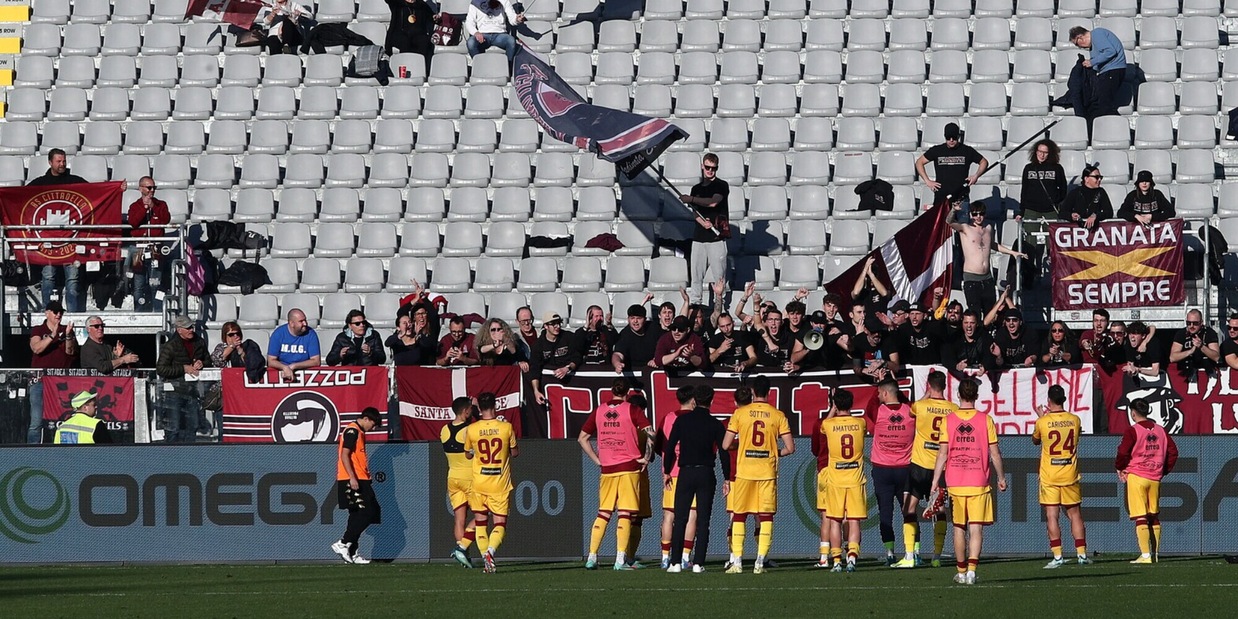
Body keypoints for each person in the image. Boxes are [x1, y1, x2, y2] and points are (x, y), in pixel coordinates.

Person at [929, 378, 1007, 585]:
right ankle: (971, 571)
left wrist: (935, 480)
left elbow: (942, 453)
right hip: (978, 480)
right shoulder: (985, 419)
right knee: (976, 528)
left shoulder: (949, 420)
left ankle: (961, 571)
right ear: (976, 396)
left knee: (958, 528)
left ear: (958, 395)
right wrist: (1001, 477)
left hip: (955, 480)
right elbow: (995, 453)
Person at [578, 379, 654, 570]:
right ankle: (620, 560)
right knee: (625, 513)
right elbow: (650, 433)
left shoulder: (599, 410)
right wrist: (646, 456)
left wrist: (597, 460)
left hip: (608, 469)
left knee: (603, 513)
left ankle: (592, 557)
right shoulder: (632, 409)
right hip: (629, 467)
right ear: (627, 393)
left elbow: (582, 438)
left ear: (611, 391)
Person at [722, 375, 794, 574]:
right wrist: (773, 452)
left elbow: (726, 444)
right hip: (767, 472)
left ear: (753, 392)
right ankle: (759, 562)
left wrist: (742, 444)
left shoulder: (740, 413)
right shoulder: (778, 415)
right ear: (769, 392)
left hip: (744, 472)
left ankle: (737, 562)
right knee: (766, 516)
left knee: (739, 516)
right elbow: (790, 448)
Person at [895, 370, 958, 568]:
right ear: (945, 387)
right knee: (940, 509)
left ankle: (909, 555)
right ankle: (937, 556)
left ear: (929, 386)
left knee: (909, 508)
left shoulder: (920, 406)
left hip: (919, 465)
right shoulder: (953, 408)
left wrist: (926, 395)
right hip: (941, 467)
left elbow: (911, 411)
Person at [663, 385, 730, 574]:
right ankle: (698, 563)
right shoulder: (715, 424)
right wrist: (727, 477)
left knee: (680, 518)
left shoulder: (682, 421)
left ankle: (675, 562)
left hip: (685, 472)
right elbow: (724, 452)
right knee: (703, 520)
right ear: (711, 401)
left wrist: (667, 470)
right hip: (706, 472)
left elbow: (669, 447)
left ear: (694, 401)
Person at [1032, 385, 1091, 569]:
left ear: (1048, 401)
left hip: (1050, 476)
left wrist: (1042, 418)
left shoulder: (1043, 422)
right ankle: (1081, 554)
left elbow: (1035, 440)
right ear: (1064, 399)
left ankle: (1057, 556)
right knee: (1075, 515)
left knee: (1052, 515)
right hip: (1069, 474)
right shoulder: (1075, 419)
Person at [1115, 398, 1178, 564]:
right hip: (1155, 477)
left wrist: (1120, 466)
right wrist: (1164, 470)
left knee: (1140, 516)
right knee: (1154, 515)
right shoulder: (1161, 430)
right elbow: (1173, 452)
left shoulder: (1133, 430)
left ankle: (1145, 555)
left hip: (1137, 475)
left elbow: (1123, 452)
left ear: (1133, 413)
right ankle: (1155, 553)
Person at [28, 149, 89, 312]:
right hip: (48, 243)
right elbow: (21, 198)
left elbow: (96, 193)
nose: (62, 164)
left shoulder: (75, 181)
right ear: (50, 162)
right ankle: (47, 312)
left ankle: (73, 315)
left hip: (71, 241)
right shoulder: (39, 183)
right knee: (48, 277)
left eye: (64, 161)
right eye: (58, 161)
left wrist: (115, 188)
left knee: (73, 280)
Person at [464, 392, 519, 573]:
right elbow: (515, 452)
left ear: (478, 408)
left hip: (479, 483)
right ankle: (490, 551)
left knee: (480, 523)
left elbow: (468, 454)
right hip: (499, 484)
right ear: (495, 406)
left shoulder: (471, 429)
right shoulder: (506, 427)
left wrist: (474, 453)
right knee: (499, 524)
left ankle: (485, 558)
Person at [866, 379, 915, 567]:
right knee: (909, 512)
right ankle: (914, 551)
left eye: (880, 393)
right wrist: (892, 385)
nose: (878, 396)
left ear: (884, 394)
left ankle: (890, 552)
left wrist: (877, 384)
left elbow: (871, 403)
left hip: (882, 469)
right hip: (905, 469)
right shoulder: (910, 411)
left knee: (885, 513)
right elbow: (902, 398)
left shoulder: (878, 411)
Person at [819, 389, 867, 572]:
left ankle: (837, 560)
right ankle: (852, 557)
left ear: (836, 405)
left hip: (835, 480)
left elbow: (824, 425)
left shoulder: (829, 424)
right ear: (852, 404)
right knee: (854, 520)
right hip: (855, 479)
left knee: (835, 521)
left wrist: (834, 408)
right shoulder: (860, 423)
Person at [950, 201, 1025, 314]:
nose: (978, 217)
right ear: (971, 214)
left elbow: (992, 244)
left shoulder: (989, 227)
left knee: (990, 313)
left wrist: (1012, 252)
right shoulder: (965, 228)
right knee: (974, 313)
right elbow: (949, 222)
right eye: (975, 214)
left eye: (981, 213)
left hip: (987, 278)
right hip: (971, 278)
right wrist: (953, 210)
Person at [331, 407, 383, 565]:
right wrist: (352, 478)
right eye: (373, 425)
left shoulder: (359, 432)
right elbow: (344, 454)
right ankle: (344, 542)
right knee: (369, 511)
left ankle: (351, 552)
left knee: (356, 514)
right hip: (353, 479)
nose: (373, 429)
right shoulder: (352, 431)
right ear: (366, 419)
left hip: (360, 477)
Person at [657, 386, 699, 570]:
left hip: (671, 472)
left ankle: (665, 557)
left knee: (669, 515)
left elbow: (660, 445)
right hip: (691, 471)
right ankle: (684, 557)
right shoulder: (697, 419)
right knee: (692, 514)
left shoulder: (667, 418)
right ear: (693, 400)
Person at [680, 153, 730, 305]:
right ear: (702, 166)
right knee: (696, 276)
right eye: (707, 167)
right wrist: (703, 223)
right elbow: (695, 212)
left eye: (713, 168)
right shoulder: (696, 188)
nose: (710, 171)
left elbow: (713, 202)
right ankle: (696, 305)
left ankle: (719, 305)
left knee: (719, 277)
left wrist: (691, 199)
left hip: (717, 238)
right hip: (699, 237)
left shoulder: (721, 185)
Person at [155, 315, 211, 443]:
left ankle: (190, 457)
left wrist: (202, 363)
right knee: (174, 428)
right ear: (179, 329)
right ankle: (170, 456)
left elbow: (208, 360)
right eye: (188, 328)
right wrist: (183, 368)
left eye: (192, 327)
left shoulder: (199, 342)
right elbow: (161, 369)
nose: (191, 330)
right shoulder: (170, 346)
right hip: (174, 392)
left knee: (192, 427)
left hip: (193, 391)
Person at [28, 301, 76, 444]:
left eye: (61, 312)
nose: (58, 315)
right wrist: (52, 335)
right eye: (55, 312)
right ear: (47, 313)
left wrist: (67, 336)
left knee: (62, 418)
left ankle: (60, 449)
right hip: (40, 381)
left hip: (61, 382)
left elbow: (71, 352)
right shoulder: (38, 330)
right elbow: (36, 348)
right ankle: (31, 450)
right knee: (36, 420)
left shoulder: (66, 329)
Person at [916, 122, 989, 208]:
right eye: (948, 137)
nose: (951, 140)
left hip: (961, 199)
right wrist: (927, 181)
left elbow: (984, 162)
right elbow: (919, 162)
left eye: (954, 137)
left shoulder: (967, 151)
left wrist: (976, 176)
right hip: (941, 199)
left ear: (958, 136)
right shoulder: (937, 150)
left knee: (962, 222)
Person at [126, 176, 170, 313]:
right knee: (138, 283)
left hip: (155, 247)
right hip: (139, 248)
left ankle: (157, 312)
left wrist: (153, 207)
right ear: (141, 189)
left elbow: (165, 220)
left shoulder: (161, 204)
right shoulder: (135, 206)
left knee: (155, 282)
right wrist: (144, 208)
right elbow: (133, 222)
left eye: (154, 187)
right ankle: (139, 312)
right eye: (149, 187)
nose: (152, 190)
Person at [443, 396, 477, 568]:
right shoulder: (469, 430)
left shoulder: (444, 429)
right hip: (469, 477)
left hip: (452, 478)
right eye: (471, 409)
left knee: (459, 519)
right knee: (484, 514)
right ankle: (463, 548)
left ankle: (463, 554)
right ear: (466, 411)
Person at [1070, 26, 1128, 118]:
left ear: (1080, 38)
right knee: (1099, 103)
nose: (1080, 47)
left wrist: (1092, 62)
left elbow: (1110, 51)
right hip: (1107, 71)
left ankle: (1116, 124)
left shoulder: (1097, 34)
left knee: (1103, 103)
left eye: (1077, 44)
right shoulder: (1094, 45)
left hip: (1113, 70)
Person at [530, 313, 582, 405]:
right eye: (553, 324)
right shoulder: (538, 345)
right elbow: (534, 369)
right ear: (545, 326)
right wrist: (536, 391)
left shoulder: (569, 337)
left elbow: (577, 357)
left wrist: (567, 368)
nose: (557, 326)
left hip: (571, 382)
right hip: (550, 387)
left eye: (558, 323)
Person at [1018, 139, 1068, 226]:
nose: (1042, 155)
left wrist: (1056, 200)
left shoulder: (1057, 168)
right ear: (1035, 151)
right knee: (1030, 237)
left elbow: (1063, 188)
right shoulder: (1029, 168)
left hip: (1051, 210)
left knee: (1051, 237)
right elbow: (1024, 190)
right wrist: (1021, 211)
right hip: (1031, 209)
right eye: (1040, 151)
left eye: (1045, 152)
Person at [267, 308, 322, 381]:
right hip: (282, 373)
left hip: (305, 374)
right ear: (292, 323)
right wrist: (284, 367)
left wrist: (294, 366)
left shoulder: (311, 334)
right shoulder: (278, 334)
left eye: (305, 320)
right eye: (301, 321)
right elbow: (271, 360)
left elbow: (316, 361)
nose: (305, 323)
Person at [384, 0, 437, 74]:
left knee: (424, 41)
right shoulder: (396, 3)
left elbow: (431, 17)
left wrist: (435, 17)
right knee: (404, 41)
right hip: (400, 34)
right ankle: (404, 69)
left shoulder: (422, 5)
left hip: (417, 35)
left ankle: (421, 71)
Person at [1059, 163, 1114, 229]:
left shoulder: (1101, 192)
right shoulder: (1075, 193)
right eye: (1096, 177)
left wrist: (1096, 216)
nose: (1099, 180)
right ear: (1086, 179)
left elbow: (1109, 212)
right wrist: (1071, 216)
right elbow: (1062, 213)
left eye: (1100, 177)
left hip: (1096, 230)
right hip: (1077, 231)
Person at [1168, 309, 1220, 377]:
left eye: (1195, 323)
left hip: (1206, 373)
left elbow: (1216, 357)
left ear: (1201, 322)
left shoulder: (1209, 333)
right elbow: (1172, 358)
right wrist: (1190, 351)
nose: (1191, 326)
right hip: (1185, 373)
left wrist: (1201, 346)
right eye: (1189, 323)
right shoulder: (1181, 334)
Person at [753, 308, 806, 373]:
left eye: (777, 320)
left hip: (782, 377)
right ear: (766, 322)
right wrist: (756, 305)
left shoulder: (789, 338)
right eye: (770, 320)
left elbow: (799, 359)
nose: (773, 323)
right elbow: (758, 324)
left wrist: (797, 366)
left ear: (781, 322)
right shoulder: (760, 336)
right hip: (763, 374)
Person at [612, 304, 659, 373]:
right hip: (633, 371)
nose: (635, 321)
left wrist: (657, 359)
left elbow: (665, 345)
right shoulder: (624, 335)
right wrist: (617, 364)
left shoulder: (653, 328)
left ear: (645, 319)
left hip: (653, 369)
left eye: (639, 318)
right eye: (632, 318)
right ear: (628, 319)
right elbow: (618, 354)